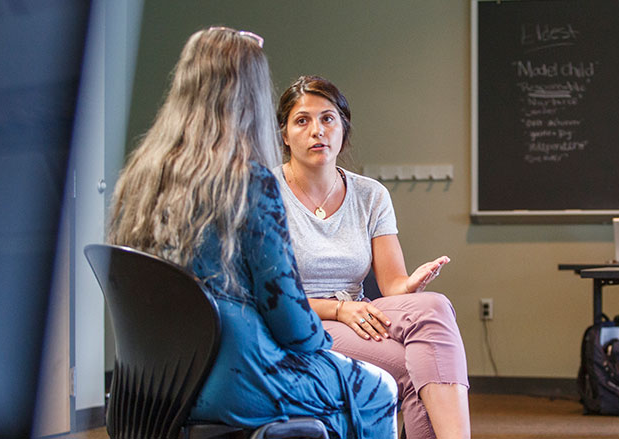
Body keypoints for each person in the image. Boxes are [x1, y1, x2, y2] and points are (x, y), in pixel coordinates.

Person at [106, 28, 397, 439]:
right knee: (376, 386)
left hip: (152, 387)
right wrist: (328, 340)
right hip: (236, 381)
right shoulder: (249, 182)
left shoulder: (139, 177)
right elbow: (291, 323)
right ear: (251, 98)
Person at [272, 75, 470, 439]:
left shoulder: (370, 194)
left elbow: (391, 285)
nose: (318, 130)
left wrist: (409, 285)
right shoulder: (265, 193)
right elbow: (268, 297)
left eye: (328, 118)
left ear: (343, 129)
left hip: (360, 311)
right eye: (303, 120)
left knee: (436, 306)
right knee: (411, 369)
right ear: (284, 134)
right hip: (302, 319)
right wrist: (338, 310)